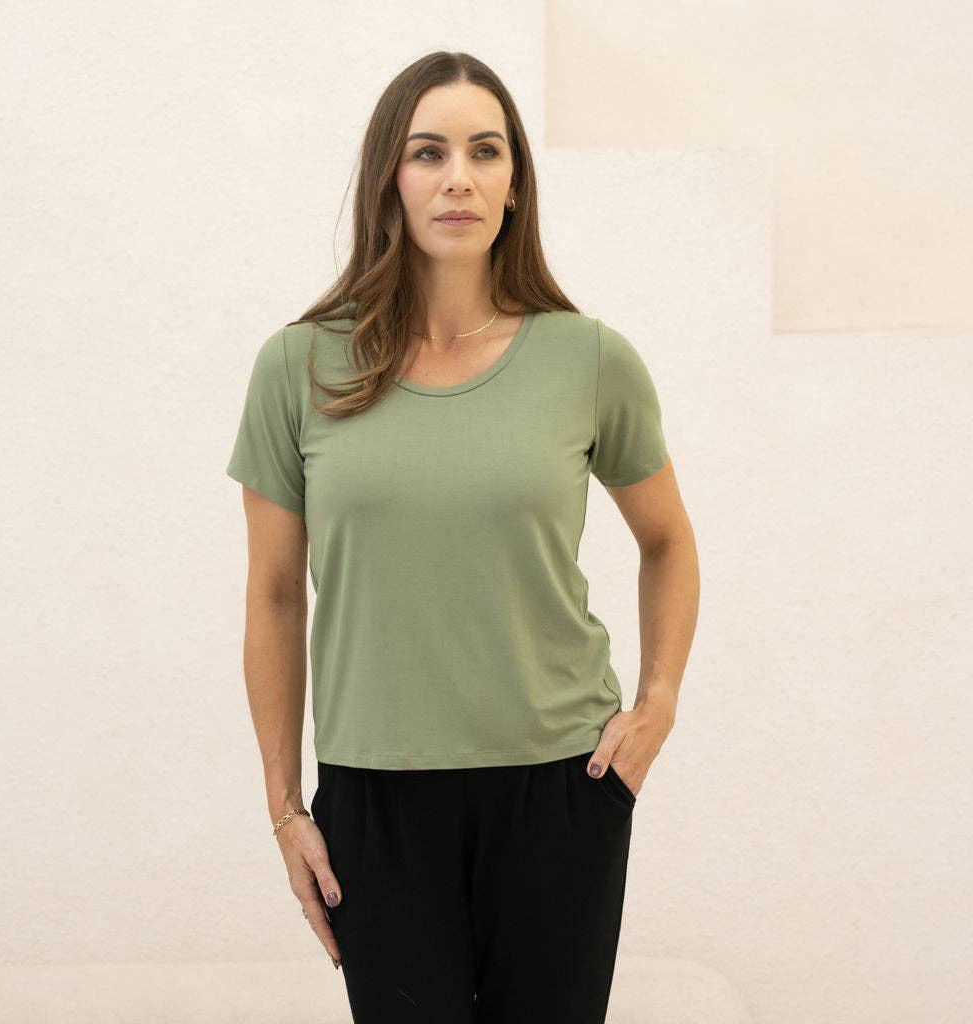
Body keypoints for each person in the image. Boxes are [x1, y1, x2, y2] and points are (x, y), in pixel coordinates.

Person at [225, 50, 699, 1024]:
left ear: (514, 183)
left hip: (563, 787)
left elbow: (668, 543)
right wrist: (284, 807)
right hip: (375, 798)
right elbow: (273, 593)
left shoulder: (589, 359)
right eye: (428, 152)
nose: (458, 178)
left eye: (486, 151)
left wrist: (655, 707)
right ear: (388, 180)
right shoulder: (297, 367)